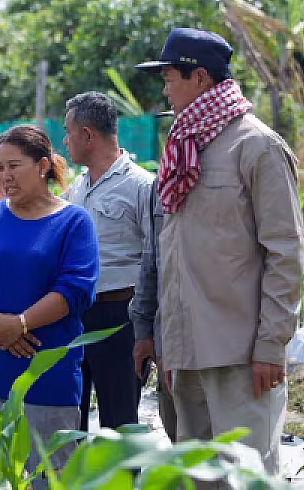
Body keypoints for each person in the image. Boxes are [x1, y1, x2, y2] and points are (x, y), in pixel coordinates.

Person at [134, 27, 304, 478]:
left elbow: (285, 253)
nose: (166, 90)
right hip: (185, 354)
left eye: (170, 78)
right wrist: (163, 339)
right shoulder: (182, 148)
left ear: (202, 78)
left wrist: (271, 345)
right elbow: (171, 256)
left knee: (247, 476)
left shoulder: (256, 146)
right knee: (197, 478)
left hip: (241, 355)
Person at [0, 125, 98, 487]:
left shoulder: (74, 222)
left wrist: (23, 323)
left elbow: (76, 289)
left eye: (14, 166)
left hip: (47, 379)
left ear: (43, 165)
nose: (4, 175)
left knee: (45, 478)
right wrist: (0, 324)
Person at [61, 91, 155, 432]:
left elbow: (154, 257)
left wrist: (148, 328)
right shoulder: (76, 188)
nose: (64, 141)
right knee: (71, 418)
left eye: (68, 132)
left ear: (88, 135)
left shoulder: (141, 186)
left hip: (121, 317)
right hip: (76, 315)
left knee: (120, 423)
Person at [128, 177, 177, 441]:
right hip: (170, 342)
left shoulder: (252, 151)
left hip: (225, 346)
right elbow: (151, 260)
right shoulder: (168, 176)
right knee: (180, 437)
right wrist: (143, 332)